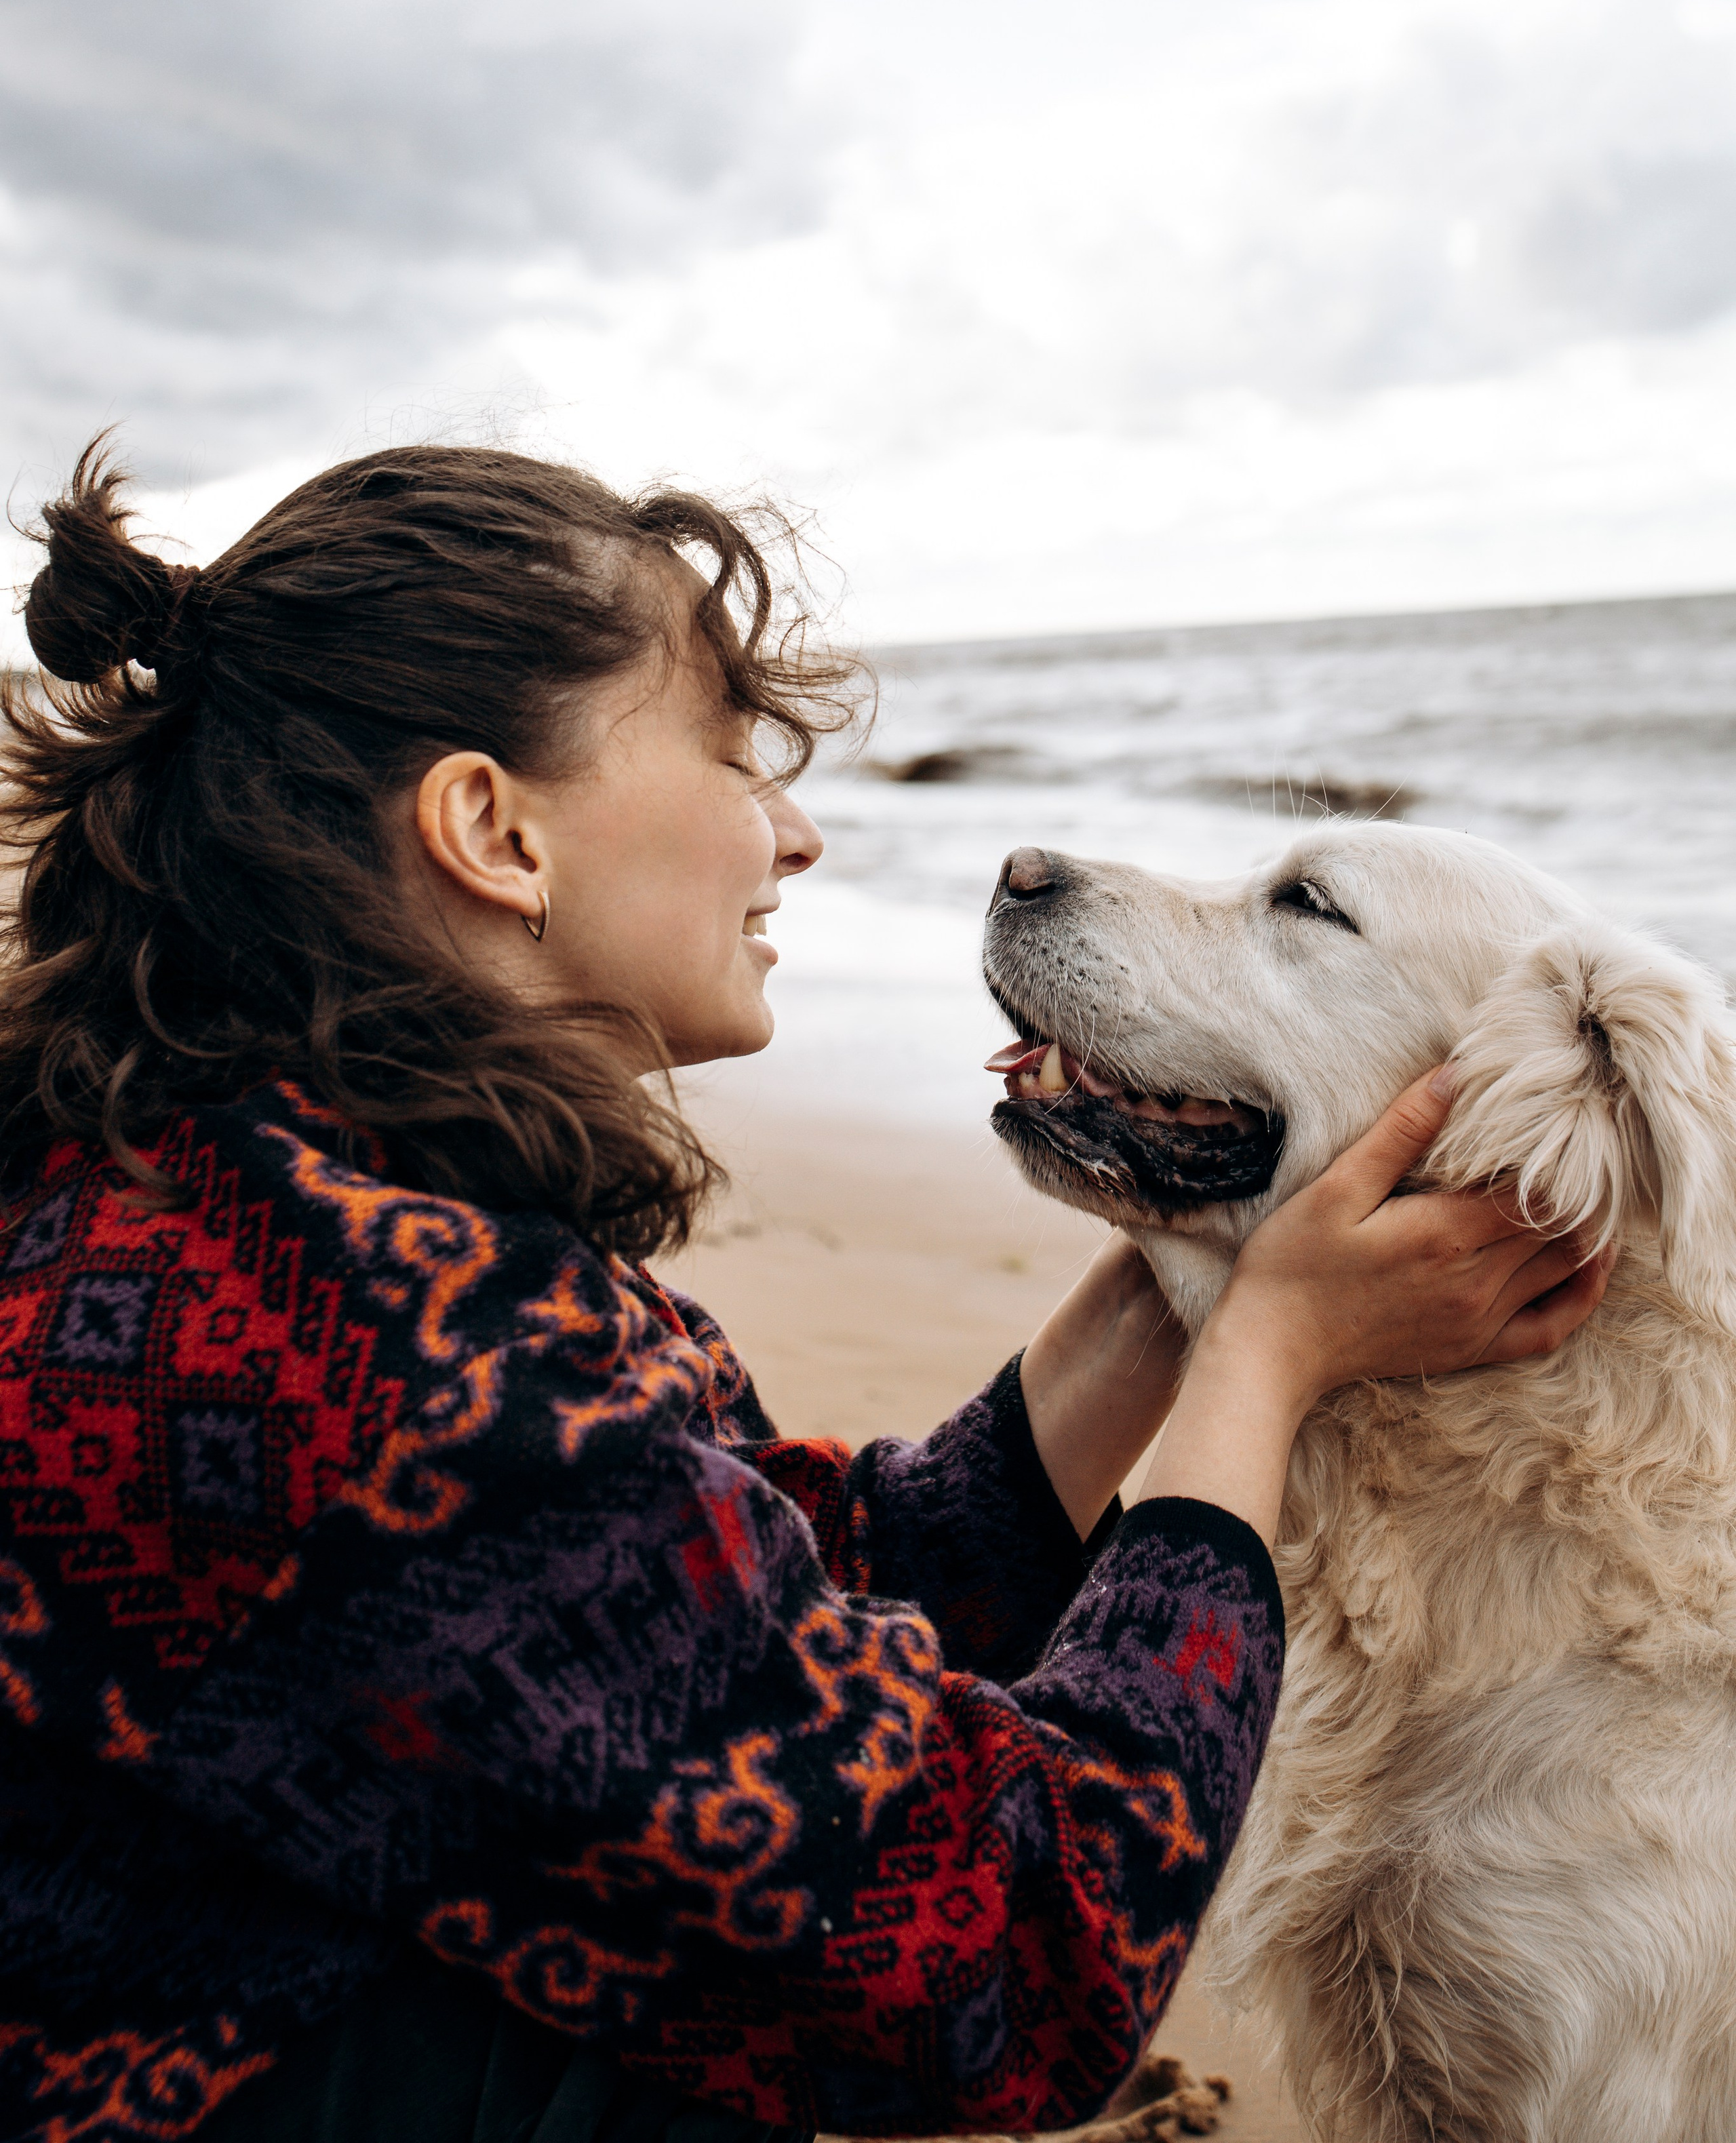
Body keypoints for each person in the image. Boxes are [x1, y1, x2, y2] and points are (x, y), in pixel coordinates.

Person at [0, 442, 1606, 2143]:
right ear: (491, 829)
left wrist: (1186, 1267)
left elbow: (746, 1612)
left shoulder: (244, 1195)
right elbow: (1015, 1956)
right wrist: (1264, 1361)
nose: (797, 831)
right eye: (732, 754)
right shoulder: (382, 1366)